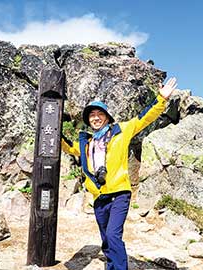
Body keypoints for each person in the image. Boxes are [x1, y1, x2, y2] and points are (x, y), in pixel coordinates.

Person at [61, 77, 177, 270]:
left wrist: (161, 99)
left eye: (100, 114)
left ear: (107, 117)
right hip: (99, 197)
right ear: (88, 120)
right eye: (92, 115)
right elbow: (67, 147)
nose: (96, 117)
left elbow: (144, 118)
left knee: (114, 235)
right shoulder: (86, 144)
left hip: (119, 194)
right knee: (106, 238)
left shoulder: (121, 131)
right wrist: (51, 128)